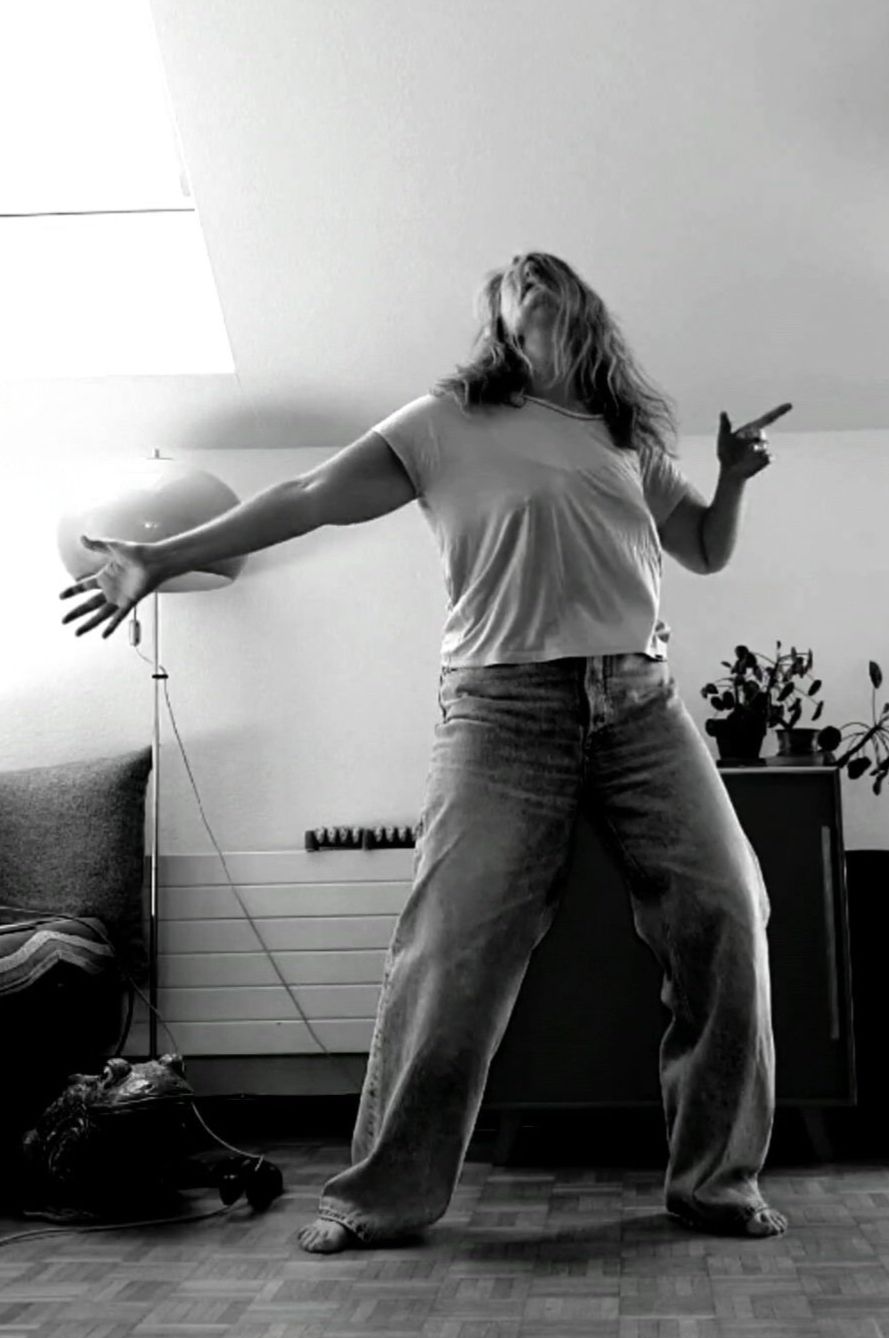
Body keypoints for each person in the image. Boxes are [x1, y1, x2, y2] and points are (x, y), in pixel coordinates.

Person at [60, 250, 793, 1253]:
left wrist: (734, 481)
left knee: (730, 908)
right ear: (500, 322)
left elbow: (702, 548)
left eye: (548, 274)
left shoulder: (623, 435)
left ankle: (715, 1182)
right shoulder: (446, 422)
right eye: (514, 281)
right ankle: (380, 1193)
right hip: (503, 712)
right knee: (450, 947)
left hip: (641, 704)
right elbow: (311, 493)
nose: (529, 276)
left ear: (582, 309)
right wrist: (160, 555)